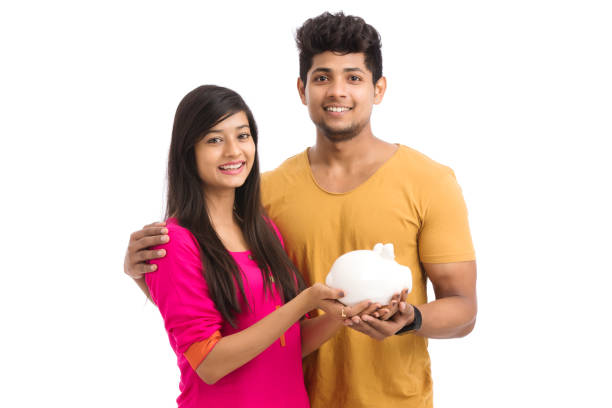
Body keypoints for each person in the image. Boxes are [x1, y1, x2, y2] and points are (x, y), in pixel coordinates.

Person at [125, 13, 477, 408]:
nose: (337, 91)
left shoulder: (430, 182)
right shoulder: (265, 196)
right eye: (323, 77)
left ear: (378, 89)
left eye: (354, 77)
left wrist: (411, 319)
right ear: (302, 89)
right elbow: (206, 312)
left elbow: (464, 309)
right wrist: (145, 274)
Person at [140, 84, 376, 407]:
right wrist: (304, 302)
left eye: (242, 135)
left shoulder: (264, 229)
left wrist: (343, 314)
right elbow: (209, 364)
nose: (233, 151)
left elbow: (286, 345)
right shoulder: (175, 243)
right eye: (214, 140)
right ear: (187, 151)